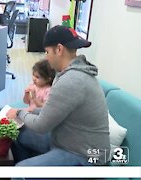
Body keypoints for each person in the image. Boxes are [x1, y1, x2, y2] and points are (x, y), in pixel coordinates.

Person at [6, 25, 110, 169]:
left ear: (59, 49)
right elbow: (51, 110)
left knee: (21, 171)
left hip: (85, 155)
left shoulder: (72, 80)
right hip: (66, 140)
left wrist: (19, 113)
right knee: (15, 134)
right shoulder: (68, 73)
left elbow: (41, 126)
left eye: (47, 52)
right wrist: (29, 112)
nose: (46, 57)